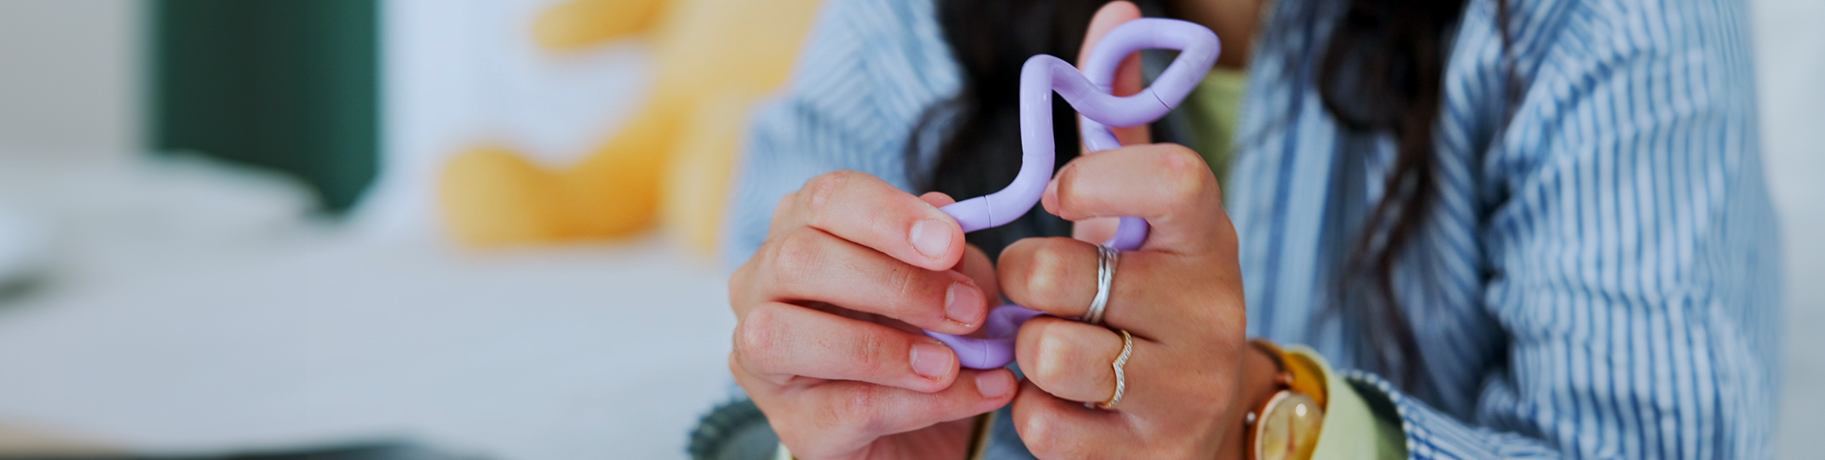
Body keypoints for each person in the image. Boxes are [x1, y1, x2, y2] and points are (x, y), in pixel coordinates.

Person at [717, 0, 1781, 458]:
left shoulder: (1604, 24)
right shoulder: (907, 21)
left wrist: (1266, 425)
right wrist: (838, 419)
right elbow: (745, 397)